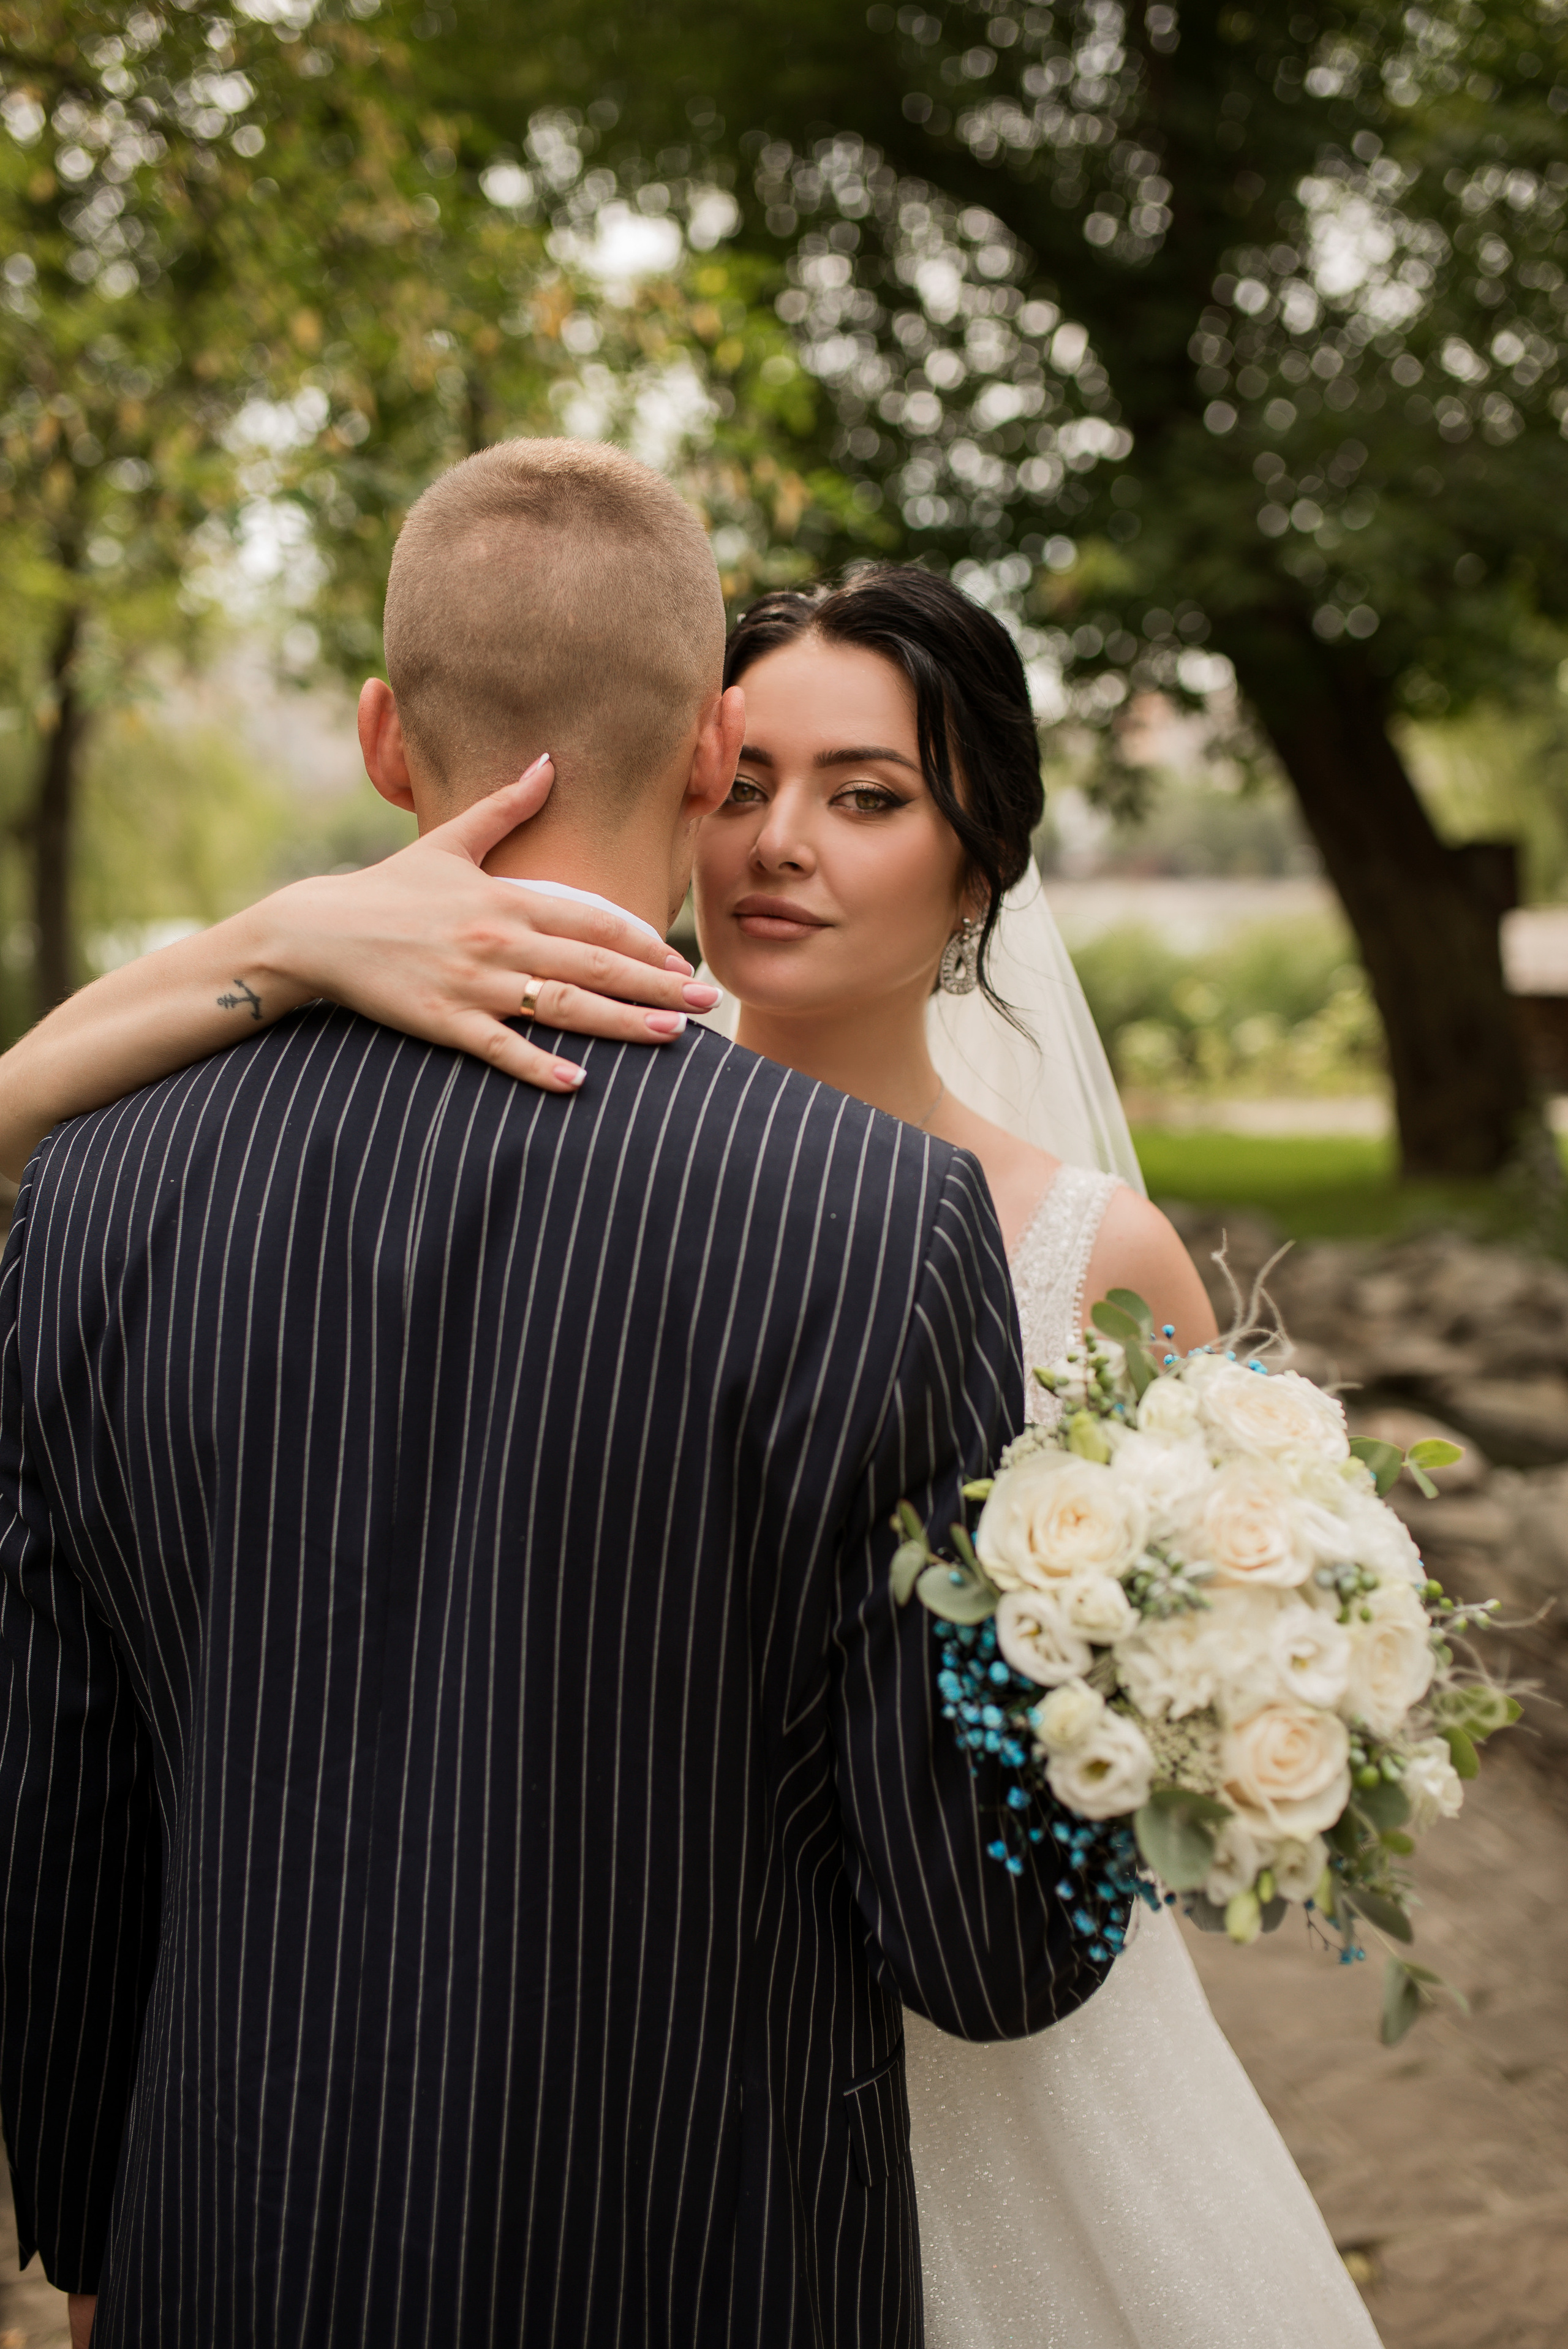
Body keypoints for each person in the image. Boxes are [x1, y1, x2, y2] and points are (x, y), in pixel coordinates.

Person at [0, 442, 1109, 2349]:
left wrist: (100, 2224)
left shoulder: (94, 1190)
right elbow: (975, 1936)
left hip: (224, 2236)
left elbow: (57, 1797)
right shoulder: (878, 1220)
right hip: (707, 2253)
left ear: (376, 734)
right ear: (707, 750)